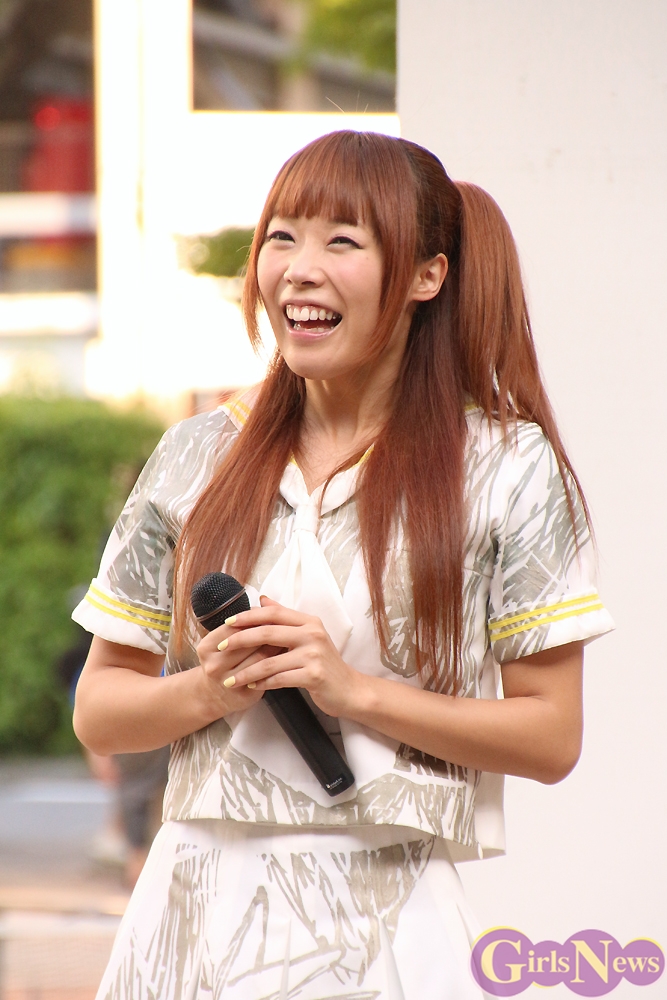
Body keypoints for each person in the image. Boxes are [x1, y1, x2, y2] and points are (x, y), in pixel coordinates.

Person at [72, 131, 613, 1000]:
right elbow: (99, 711)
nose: (298, 270)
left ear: (427, 275)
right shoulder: (195, 454)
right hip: (189, 914)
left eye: (342, 242)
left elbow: (551, 737)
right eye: (282, 237)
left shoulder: (507, 466)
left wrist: (351, 690)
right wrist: (213, 689)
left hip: (388, 918)